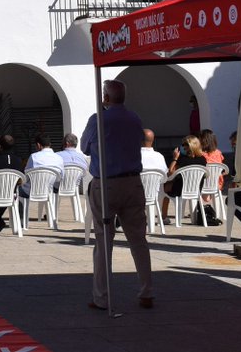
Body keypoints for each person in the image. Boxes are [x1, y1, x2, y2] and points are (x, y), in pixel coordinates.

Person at [81, 78, 153, 311]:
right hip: (133, 182)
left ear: (106, 98)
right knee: (138, 240)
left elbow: (84, 147)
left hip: (107, 183)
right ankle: (146, 291)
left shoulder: (98, 119)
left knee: (103, 242)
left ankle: (102, 297)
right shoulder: (135, 118)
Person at [163, 135, 207, 222]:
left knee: (163, 189)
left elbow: (170, 172)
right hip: (197, 189)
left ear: (190, 146)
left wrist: (175, 158)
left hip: (180, 190)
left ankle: (164, 217)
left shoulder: (182, 159)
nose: (182, 147)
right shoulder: (203, 159)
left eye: (184, 144)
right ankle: (193, 218)